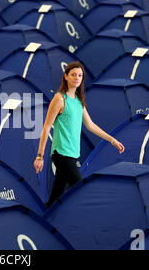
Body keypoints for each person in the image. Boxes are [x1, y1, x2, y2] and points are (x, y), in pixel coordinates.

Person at [34, 61, 125, 208]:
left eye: (80, 75)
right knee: (80, 188)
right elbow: (46, 127)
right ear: (66, 76)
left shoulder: (79, 101)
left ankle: (46, 218)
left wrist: (112, 140)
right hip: (61, 154)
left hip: (73, 154)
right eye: (73, 75)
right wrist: (40, 156)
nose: (77, 78)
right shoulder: (59, 99)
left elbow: (91, 125)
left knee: (56, 196)